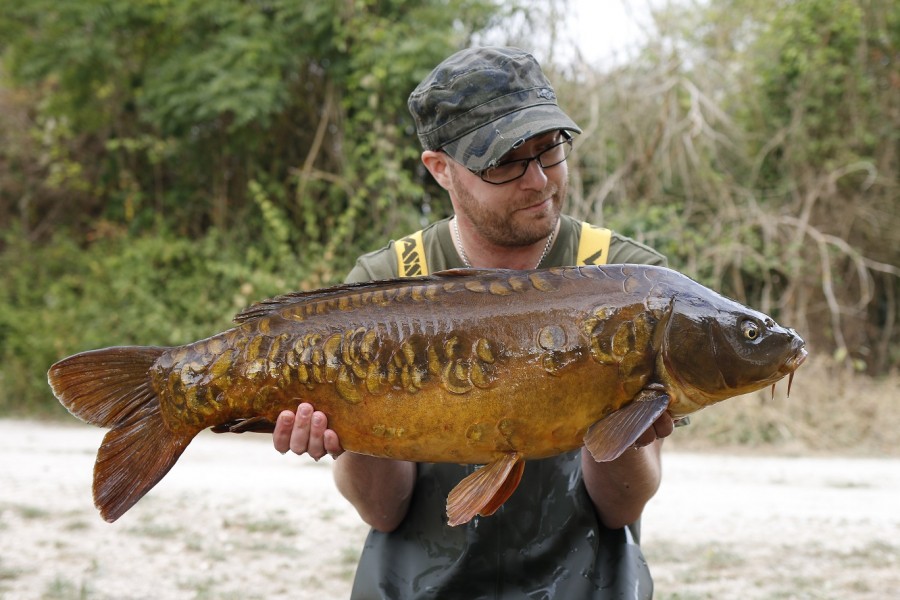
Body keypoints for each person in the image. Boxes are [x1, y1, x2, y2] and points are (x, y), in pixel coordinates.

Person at [273, 46, 675, 599]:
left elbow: (621, 507)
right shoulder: (388, 280)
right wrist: (350, 429)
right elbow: (384, 512)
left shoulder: (633, 285)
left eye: (550, 150)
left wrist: (620, 422)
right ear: (441, 169)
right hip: (419, 582)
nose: (538, 181)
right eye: (505, 161)